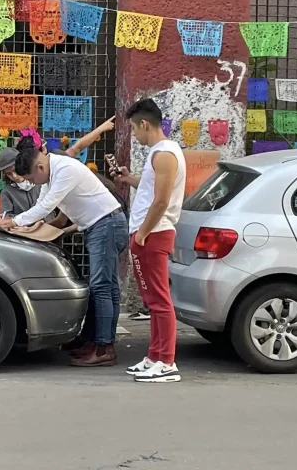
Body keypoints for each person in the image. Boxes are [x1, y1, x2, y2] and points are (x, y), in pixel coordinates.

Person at [0, 144, 128, 367]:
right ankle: (95, 342)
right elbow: (41, 204)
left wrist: (15, 221)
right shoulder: (50, 173)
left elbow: (47, 206)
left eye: (32, 179)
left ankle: (104, 348)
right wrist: (22, 224)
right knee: (106, 287)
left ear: (39, 167)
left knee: (102, 288)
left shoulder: (65, 169)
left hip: (106, 225)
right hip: (100, 226)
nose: (33, 183)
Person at [114, 98, 186, 383]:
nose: (134, 134)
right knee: (152, 300)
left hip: (154, 233)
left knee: (159, 300)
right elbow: (151, 190)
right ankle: (154, 356)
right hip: (148, 233)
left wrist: (143, 233)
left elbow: (161, 201)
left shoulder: (164, 154)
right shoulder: (159, 153)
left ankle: (166, 362)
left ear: (144, 124)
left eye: (134, 128)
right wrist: (129, 179)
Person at [0, 147, 57, 222]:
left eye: (15, 170)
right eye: (9, 174)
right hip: (19, 228)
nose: (14, 176)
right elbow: (6, 217)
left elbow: (50, 210)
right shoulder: (7, 192)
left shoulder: (41, 183)